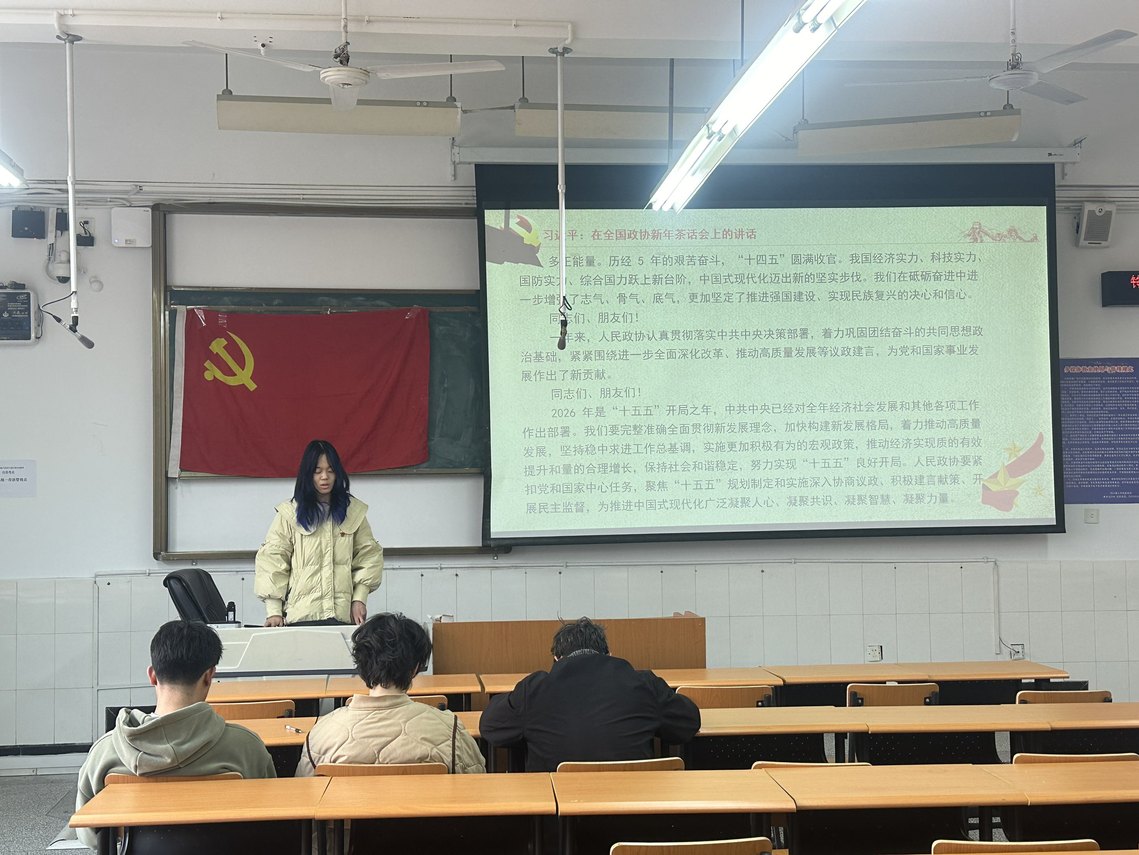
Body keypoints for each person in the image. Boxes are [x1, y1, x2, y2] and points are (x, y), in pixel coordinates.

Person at [74, 620, 276, 849]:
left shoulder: (105, 752)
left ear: (152, 675)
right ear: (209, 676)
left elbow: (90, 835)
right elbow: (269, 822)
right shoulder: (246, 747)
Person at [480, 616, 701, 772]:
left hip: (558, 817)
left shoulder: (535, 689)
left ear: (557, 658)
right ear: (609, 654)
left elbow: (491, 728)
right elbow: (688, 722)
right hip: (635, 813)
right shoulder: (644, 684)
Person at [295, 613, 485, 775]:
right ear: (415, 668)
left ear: (361, 665)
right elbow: (475, 788)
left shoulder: (321, 733)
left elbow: (304, 795)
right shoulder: (450, 729)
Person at [255, 438, 383, 626]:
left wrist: (359, 598)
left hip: (342, 616)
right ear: (307, 474)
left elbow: (369, 556)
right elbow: (272, 561)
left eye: (330, 471)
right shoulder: (289, 514)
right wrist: (274, 611)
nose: (325, 477)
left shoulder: (353, 512)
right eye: (318, 471)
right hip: (301, 617)